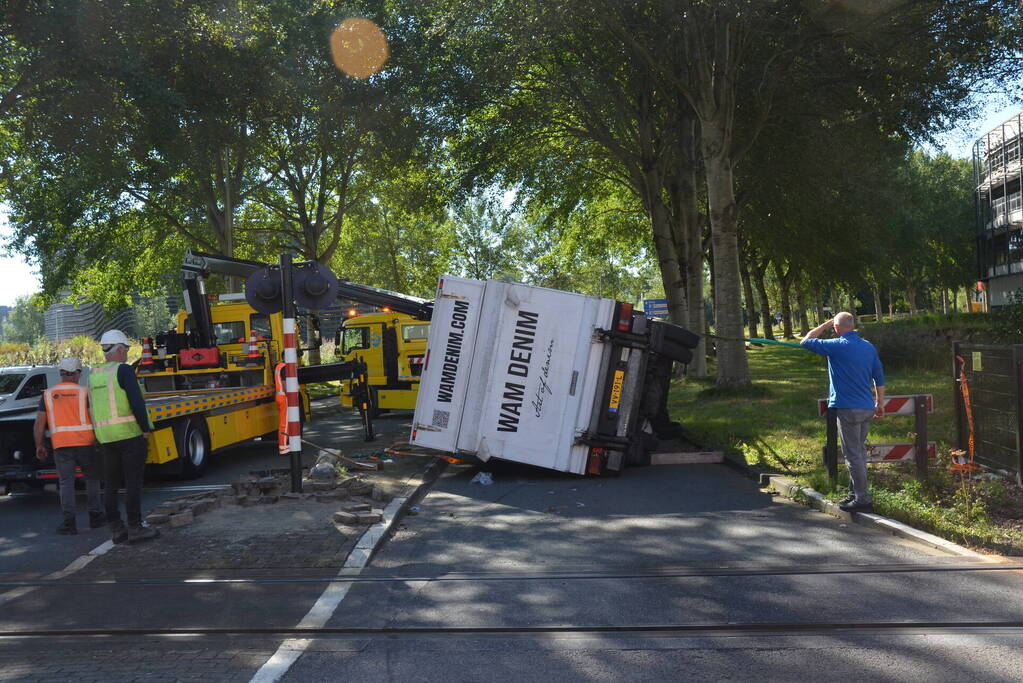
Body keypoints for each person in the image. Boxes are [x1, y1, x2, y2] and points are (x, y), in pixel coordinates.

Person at [801, 312, 886, 513]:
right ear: (853, 326)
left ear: (837, 328)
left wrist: (825, 324)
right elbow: (879, 378)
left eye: (834, 327)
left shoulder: (836, 345)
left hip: (848, 408)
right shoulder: (868, 346)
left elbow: (806, 341)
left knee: (853, 454)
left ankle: (863, 498)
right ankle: (854, 493)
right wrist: (879, 403)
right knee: (858, 452)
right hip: (866, 407)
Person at [90, 329, 159, 544]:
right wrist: (145, 428)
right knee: (132, 483)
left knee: (110, 485)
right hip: (129, 435)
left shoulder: (93, 374)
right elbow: (136, 402)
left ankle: (117, 529)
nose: (127, 354)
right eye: (126, 350)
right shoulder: (124, 370)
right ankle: (135, 527)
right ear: (119, 350)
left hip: (106, 438)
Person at [32, 357, 105, 535]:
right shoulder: (85, 392)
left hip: (61, 445)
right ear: (78, 373)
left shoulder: (48, 394)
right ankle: (95, 516)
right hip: (86, 442)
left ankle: (69, 523)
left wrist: (39, 446)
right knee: (92, 479)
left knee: (66, 483)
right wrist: (100, 439)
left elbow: (39, 424)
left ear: (61, 374)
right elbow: (95, 418)